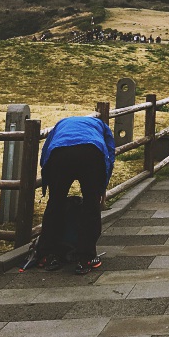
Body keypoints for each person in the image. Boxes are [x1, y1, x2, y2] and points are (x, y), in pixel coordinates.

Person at [38, 116, 116, 275]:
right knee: (91, 205)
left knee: (55, 203)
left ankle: (48, 254)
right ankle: (86, 257)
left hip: (59, 153)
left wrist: (47, 182)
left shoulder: (61, 123)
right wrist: (102, 188)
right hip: (91, 152)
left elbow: (46, 150)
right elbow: (109, 153)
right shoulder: (102, 126)